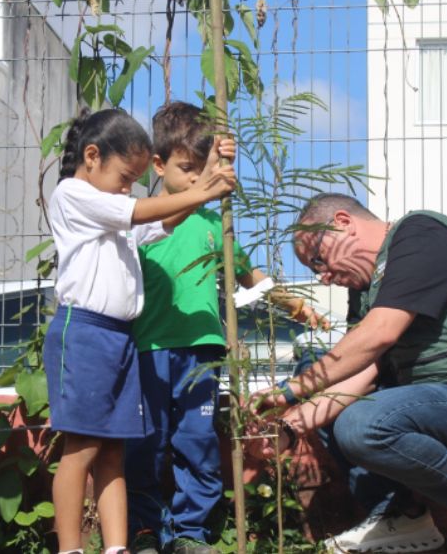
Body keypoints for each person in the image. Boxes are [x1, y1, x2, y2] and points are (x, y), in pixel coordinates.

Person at [248, 193, 447, 554]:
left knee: (361, 421)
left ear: (343, 223)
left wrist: (287, 391)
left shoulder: (420, 234)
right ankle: (401, 516)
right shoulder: (366, 289)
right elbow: (356, 377)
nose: (324, 277)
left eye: (318, 261)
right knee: (330, 380)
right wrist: (288, 426)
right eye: (315, 272)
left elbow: (380, 333)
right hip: (443, 410)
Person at [126, 102, 328, 554]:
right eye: (186, 169)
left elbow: (247, 276)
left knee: (196, 441)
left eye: (205, 169)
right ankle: (143, 531)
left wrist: (296, 305)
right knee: (147, 443)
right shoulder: (147, 217)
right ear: (158, 165)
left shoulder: (218, 225)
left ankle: (189, 534)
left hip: (202, 350)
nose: (198, 180)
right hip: (149, 348)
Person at [45, 108, 237, 554]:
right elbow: (142, 210)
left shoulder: (113, 210)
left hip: (119, 337)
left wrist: (207, 175)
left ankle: (117, 548)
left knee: (113, 450)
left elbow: (166, 220)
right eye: (125, 176)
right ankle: (70, 548)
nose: (129, 186)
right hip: (86, 333)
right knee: (82, 448)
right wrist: (206, 186)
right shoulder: (73, 195)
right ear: (91, 156)